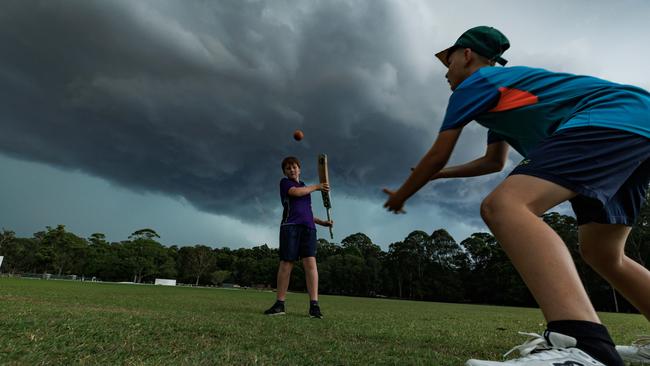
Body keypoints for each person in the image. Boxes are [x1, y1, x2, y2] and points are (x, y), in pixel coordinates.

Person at [383, 26, 650, 366]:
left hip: (606, 119)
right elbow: (493, 161)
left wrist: (402, 194)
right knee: (602, 252)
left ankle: (585, 346)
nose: (446, 73)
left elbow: (438, 152)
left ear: (467, 55)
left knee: (505, 206)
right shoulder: (500, 98)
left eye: (447, 62)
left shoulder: (476, 85)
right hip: (635, 124)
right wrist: (439, 175)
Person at [264, 156, 333, 319]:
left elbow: (307, 211)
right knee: (287, 263)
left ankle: (314, 306)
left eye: (294, 167)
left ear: (299, 169)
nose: (292, 170)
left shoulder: (305, 187)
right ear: (285, 172)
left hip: (308, 228)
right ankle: (280, 304)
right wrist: (317, 186)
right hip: (290, 227)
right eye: (288, 168)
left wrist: (323, 222)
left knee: (311, 264)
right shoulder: (286, 183)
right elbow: (295, 193)